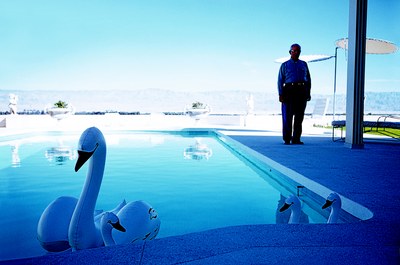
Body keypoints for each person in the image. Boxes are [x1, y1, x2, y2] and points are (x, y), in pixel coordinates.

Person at [277, 43, 311, 145]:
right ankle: (287, 138)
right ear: (290, 52)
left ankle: (296, 138)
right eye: (294, 51)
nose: (296, 52)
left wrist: (308, 92)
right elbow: (280, 80)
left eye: (298, 51)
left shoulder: (304, 64)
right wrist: (280, 94)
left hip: (301, 90)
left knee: (299, 116)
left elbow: (308, 79)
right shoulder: (285, 65)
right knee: (287, 115)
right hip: (289, 90)